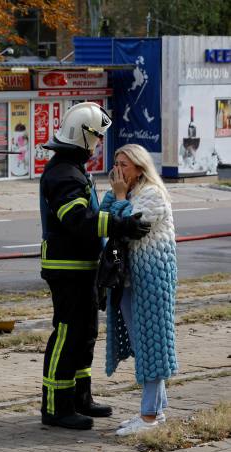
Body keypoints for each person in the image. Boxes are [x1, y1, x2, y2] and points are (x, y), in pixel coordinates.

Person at [39, 102, 151, 430]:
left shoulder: (71, 170)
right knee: (67, 333)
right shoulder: (62, 174)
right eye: (98, 137)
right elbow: (77, 219)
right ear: (84, 136)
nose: (100, 143)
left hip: (81, 266)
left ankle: (79, 397)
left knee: (85, 331)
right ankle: (56, 407)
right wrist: (120, 225)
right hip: (66, 267)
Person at [99, 144, 178, 436]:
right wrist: (116, 193)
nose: (119, 170)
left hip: (152, 281)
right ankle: (156, 410)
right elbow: (104, 220)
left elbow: (129, 226)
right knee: (141, 343)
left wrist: (120, 197)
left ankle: (148, 418)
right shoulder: (128, 193)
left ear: (141, 168)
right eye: (116, 164)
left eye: (125, 165)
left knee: (151, 346)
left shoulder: (152, 195)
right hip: (129, 281)